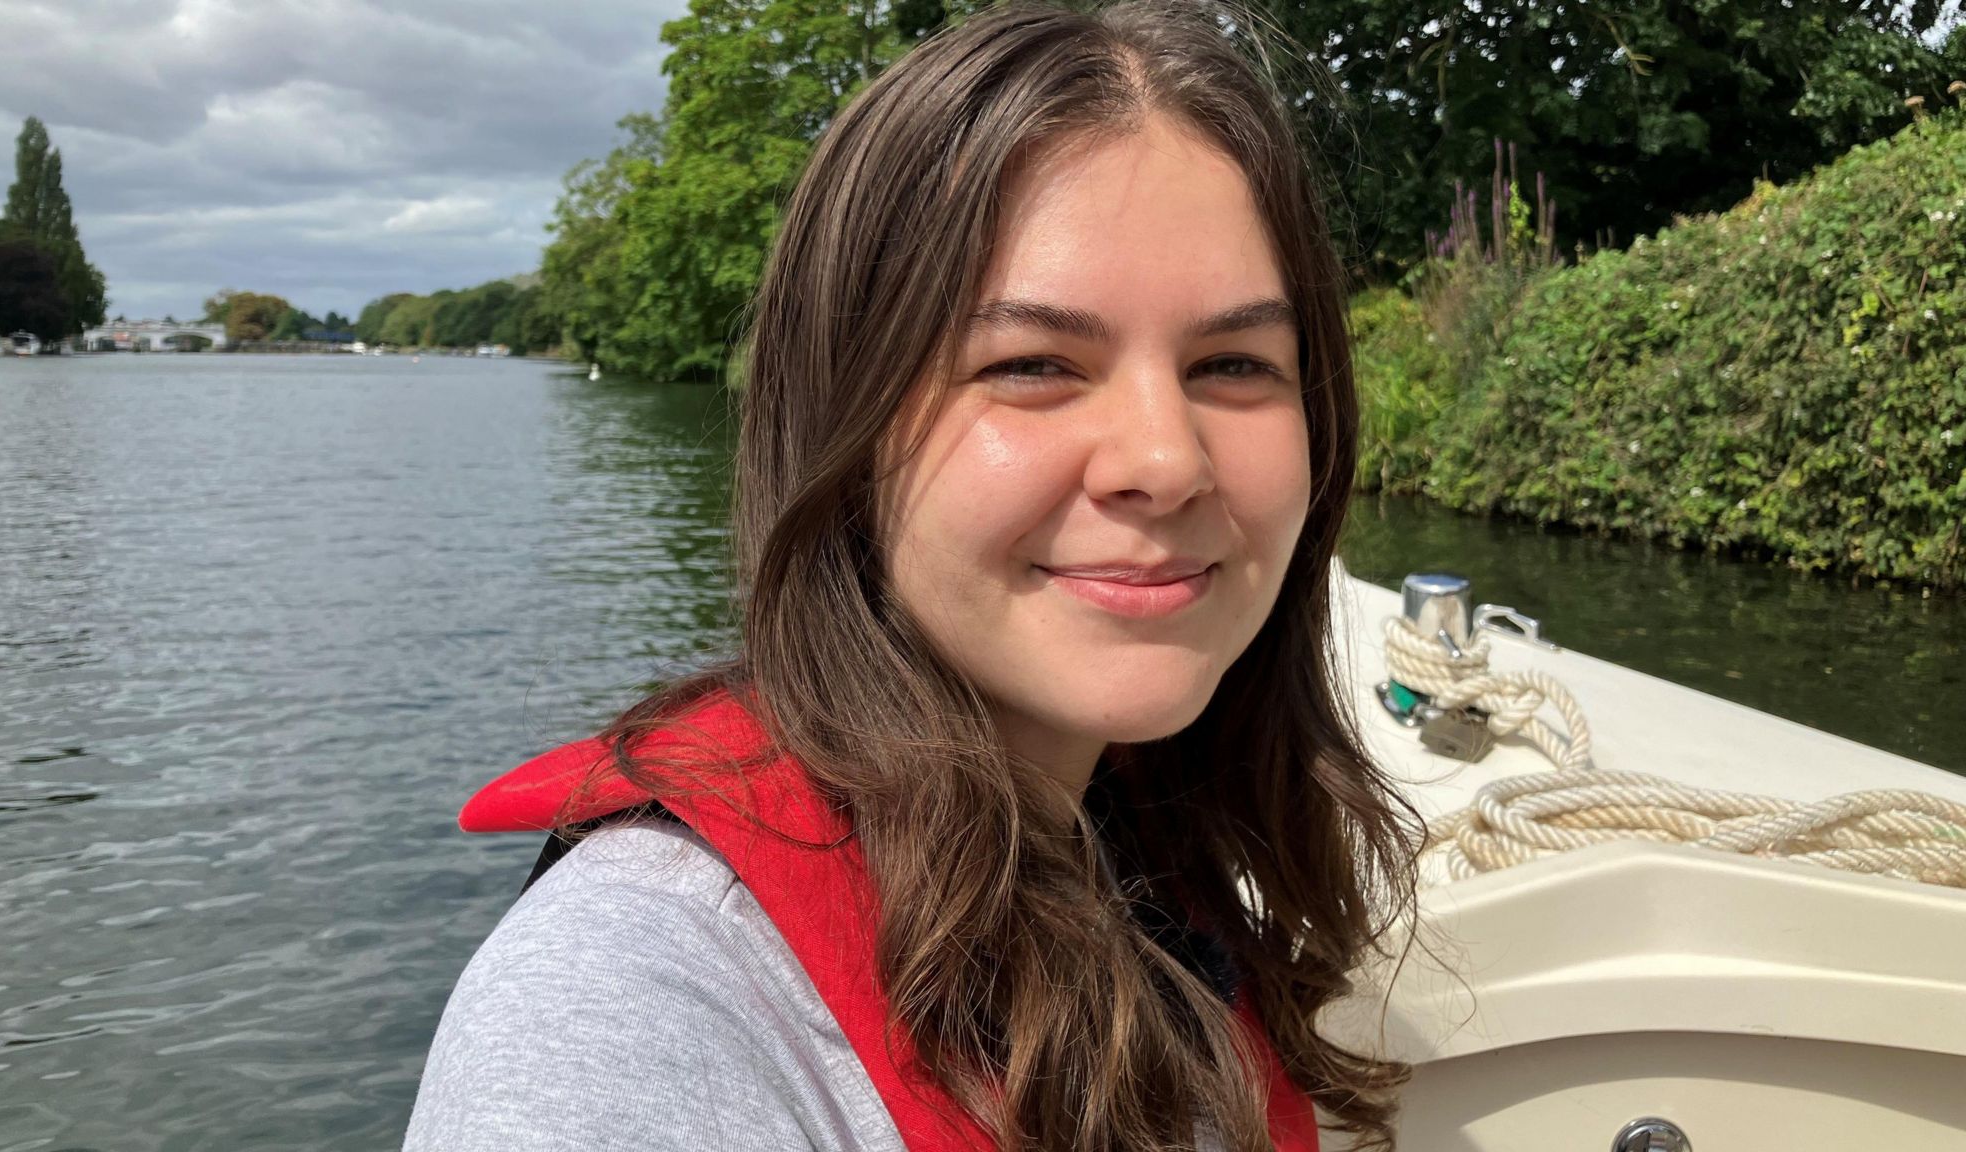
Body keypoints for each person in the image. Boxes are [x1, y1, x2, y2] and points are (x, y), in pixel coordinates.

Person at [403, 2, 1419, 1149]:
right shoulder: (640, 1003)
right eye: (1031, 363)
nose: (1164, 462)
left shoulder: (1139, 850)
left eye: (1233, 363)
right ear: (846, 427)